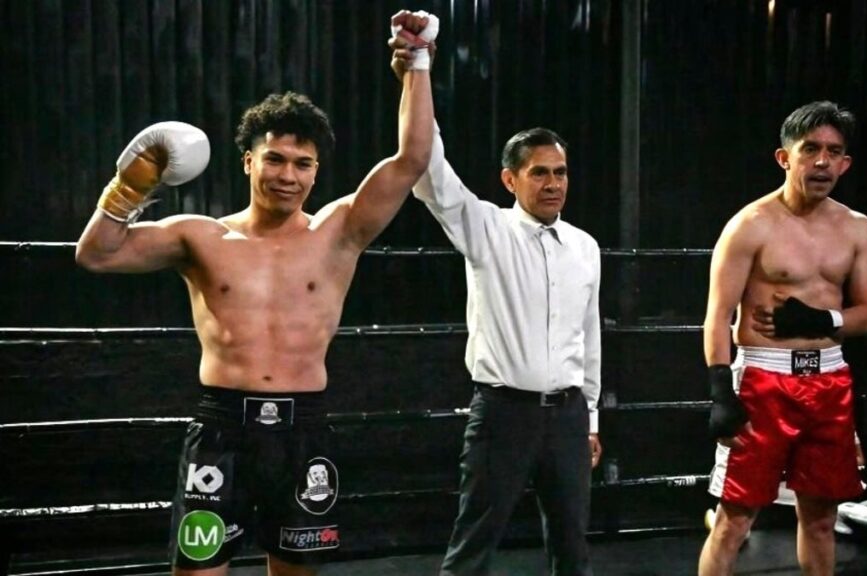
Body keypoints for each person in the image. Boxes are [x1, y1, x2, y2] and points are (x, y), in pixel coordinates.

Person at [74, 10, 438, 575]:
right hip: (222, 430)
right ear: (249, 161)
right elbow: (96, 253)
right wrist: (129, 186)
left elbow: (411, 159)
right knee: (197, 572)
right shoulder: (200, 236)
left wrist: (416, 62)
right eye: (274, 159)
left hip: (304, 429)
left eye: (302, 164)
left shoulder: (338, 232)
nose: (287, 175)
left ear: (316, 173)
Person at [389, 38, 602, 576]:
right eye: (540, 172)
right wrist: (417, 69)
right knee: (474, 544)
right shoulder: (487, 228)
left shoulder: (585, 246)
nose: (554, 183)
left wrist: (592, 417)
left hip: (570, 417)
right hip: (504, 413)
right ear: (511, 179)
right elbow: (428, 172)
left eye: (560, 172)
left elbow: (589, 338)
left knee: (573, 547)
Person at [699, 101, 867, 576]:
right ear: (786, 158)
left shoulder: (857, 228)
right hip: (764, 380)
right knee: (735, 520)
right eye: (811, 149)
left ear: (846, 163)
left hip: (830, 381)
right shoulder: (750, 225)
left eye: (834, 152)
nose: (822, 162)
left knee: (821, 518)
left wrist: (823, 321)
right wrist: (721, 388)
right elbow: (717, 317)